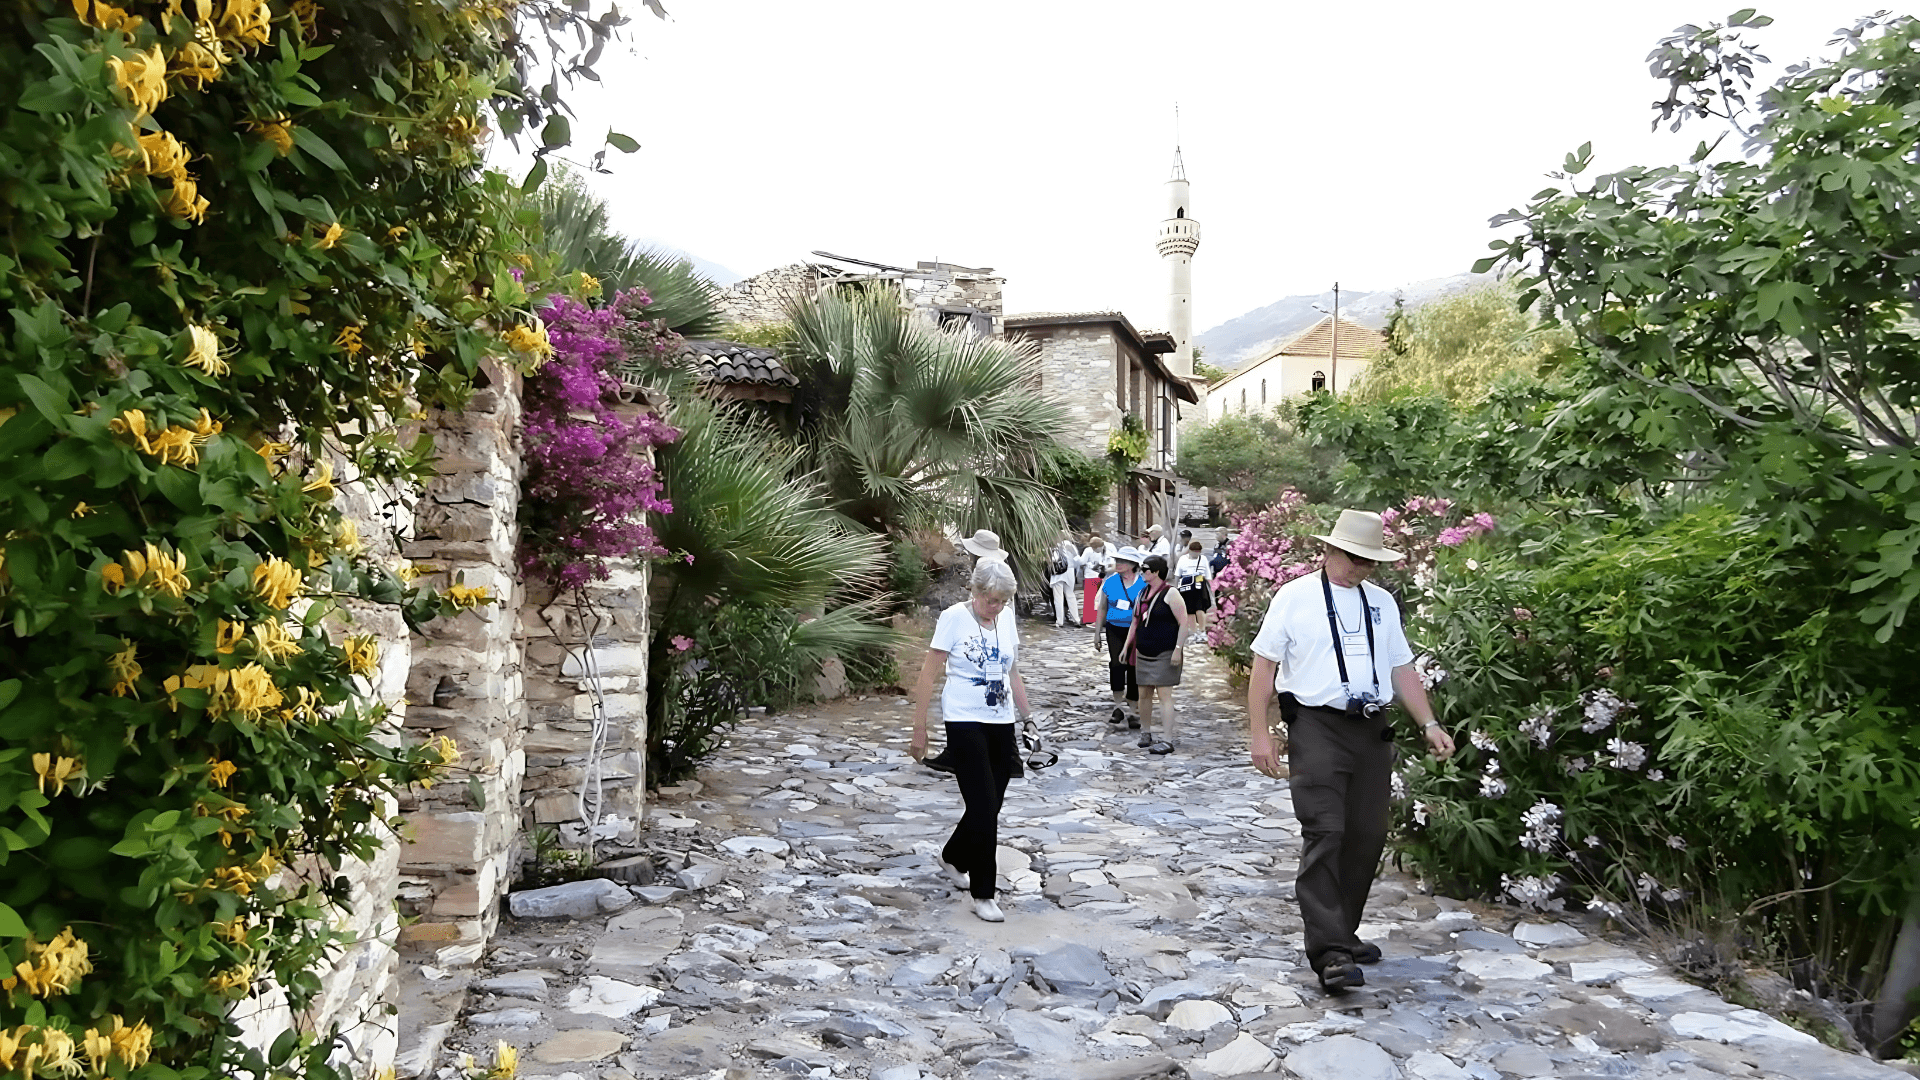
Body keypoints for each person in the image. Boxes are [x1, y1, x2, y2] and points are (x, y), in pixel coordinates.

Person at [1246, 509, 1456, 992]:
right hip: (1315, 726)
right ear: (1330, 550)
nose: (1361, 568)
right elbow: (1263, 670)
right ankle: (1331, 953)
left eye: (1370, 562)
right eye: (1354, 558)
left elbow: (1402, 668)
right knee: (1326, 831)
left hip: (1370, 728)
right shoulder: (1294, 598)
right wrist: (1260, 734)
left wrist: (1429, 722)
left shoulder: (1381, 603)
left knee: (1366, 835)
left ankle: (1343, 931)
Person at [911, 559, 1031, 923]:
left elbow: (1012, 672)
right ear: (975, 592)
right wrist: (919, 728)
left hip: (1001, 719)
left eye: (1002, 602)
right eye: (990, 600)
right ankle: (984, 894)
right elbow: (928, 675)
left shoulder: (1005, 617)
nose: (995, 608)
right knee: (982, 807)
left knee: (991, 804)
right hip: (964, 719)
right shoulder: (953, 618)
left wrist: (1029, 720)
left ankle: (952, 855)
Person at [1122, 554, 1190, 754]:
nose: (1142, 573)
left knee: (1164, 695)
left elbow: (1184, 622)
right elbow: (1135, 621)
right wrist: (1127, 646)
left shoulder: (1171, 593)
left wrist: (1178, 649)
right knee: (1144, 694)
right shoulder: (1142, 593)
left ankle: (1167, 740)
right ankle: (1146, 732)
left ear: (1157, 572)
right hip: (1144, 650)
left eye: (1145, 570)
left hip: (1165, 651)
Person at [1093, 547, 1148, 729]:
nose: (1118, 564)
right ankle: (1118, 706)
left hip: (1137, 631)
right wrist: (1097, 633)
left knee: (1134, 667)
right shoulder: (1110, 582)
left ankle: (1133, 710)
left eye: (1122, 561)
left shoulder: (1143, 584)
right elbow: (1102, 607)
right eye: (1117, 560)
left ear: (1132, 565)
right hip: (1114, 629)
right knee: (1116, 664)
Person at [1174, 538, 1214, 641]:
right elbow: (1177, 574)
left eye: (1198, 552)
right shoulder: (1183, 559)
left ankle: (1202, 631)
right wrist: (1175, 589)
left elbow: (1207, 574)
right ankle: (1194, 631)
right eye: (1194, 551)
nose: (1196, 554)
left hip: (1199, 584)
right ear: (1190, 551)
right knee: (1189, 610)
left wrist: (1211, 587)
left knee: (1200, 608)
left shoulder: (1203, 559)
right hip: (1186, 586)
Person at [1046, 531, 1081, 627]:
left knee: (1058, 597)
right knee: (1071, 596)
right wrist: (1075, 572)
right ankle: (1076, 619)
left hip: (1057, 573)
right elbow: (1078, 561)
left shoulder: (1054, 547)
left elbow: (1050, 561)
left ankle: (1060, 621)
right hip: (1069, 572)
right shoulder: (1071, 546)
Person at [1079, 534, 1113, 625]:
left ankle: (1091, 618)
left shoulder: (1091, 550)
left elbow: (1082, 561)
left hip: (1092, 576)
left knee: (1091, 599)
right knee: (1100, 599)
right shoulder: (1109, 547)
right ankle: (1102, 619)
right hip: (1101, 577)